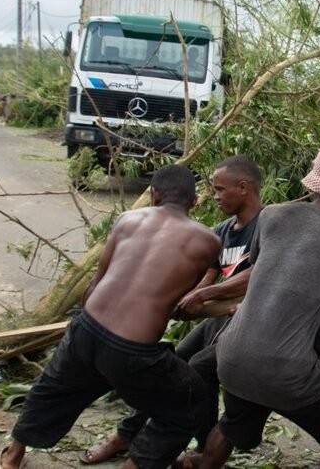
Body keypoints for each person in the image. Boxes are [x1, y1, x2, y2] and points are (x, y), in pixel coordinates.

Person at [0, 165, 220, 469]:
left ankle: (13, 455)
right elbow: (180, 298)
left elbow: (94, 285)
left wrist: (81, 331)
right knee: (188, 400)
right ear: (194, 202)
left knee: (54, 386)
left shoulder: (127, 220)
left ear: (154, 195)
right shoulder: (208, 240)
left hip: (87, 327)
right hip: (133, 352)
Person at [196, 142, 320, 469]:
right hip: (286, 369)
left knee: (232, 425)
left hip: (229, 356)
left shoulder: (271, 215)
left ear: (314, 180)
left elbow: (259, 268)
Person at [85, 155, 263, 465]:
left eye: (221, 190)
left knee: (195, 373)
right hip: (218, 319)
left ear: (244, 188)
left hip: (248, 324)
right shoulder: (222, 230)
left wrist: (207, 293)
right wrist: (186, 299)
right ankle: (125, 437)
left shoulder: (268, 225)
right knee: (171, 368)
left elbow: (261, 274)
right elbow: (210, 271)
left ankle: (203, 449)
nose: (216, 197)